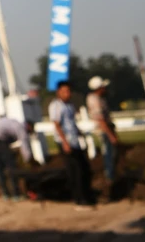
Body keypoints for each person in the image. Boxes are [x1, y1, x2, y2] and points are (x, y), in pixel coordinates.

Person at [48, 80, 94, 208]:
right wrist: (64, 142)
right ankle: (78, 200)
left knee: (83, 169)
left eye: (68, 91)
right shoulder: (56, 106)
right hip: (66, 142)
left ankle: (86, 196)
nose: (67, 93)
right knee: (75, 172)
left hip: (75, 142)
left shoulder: (70, 105)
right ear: (58, 92)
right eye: (64, 91)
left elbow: (72, 123)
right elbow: (57, 125)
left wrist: (80, 134)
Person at [0, 116, 34, 202]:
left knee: (0, 167)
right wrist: (29, 160)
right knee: (11, 166)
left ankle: (6, 194)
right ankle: (16, 194)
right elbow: (25, 145)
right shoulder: (21, 128)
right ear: (29, 126)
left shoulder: (14, 124)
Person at [86, 75, 119, 183]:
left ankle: (111, 175)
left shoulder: (98, 98)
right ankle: (109, 177)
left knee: (110, 153)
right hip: (103, 130)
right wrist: (110, 135)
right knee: (108, 154)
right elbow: (100, 120)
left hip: (105, 129)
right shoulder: (95, 99)